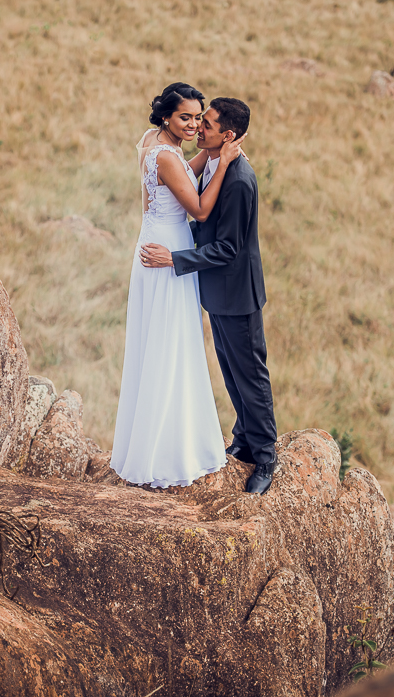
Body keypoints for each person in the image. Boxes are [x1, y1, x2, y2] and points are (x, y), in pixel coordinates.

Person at [139, 97, 278, 494]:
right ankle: (244, 439)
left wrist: (174, 258)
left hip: (238, 294)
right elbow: (203, 219)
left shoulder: (239, 180)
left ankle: (266, 457)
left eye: (208, 124)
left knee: (250, 375)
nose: (199, 128)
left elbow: (228, 248)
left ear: (227, 136)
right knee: (231, 372)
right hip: (217, 291)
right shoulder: (216, 163)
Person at [110, 83, 244, 488]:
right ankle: (168, 452)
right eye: (185, 117)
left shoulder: (155, 141)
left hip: (157, 240)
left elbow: (185, 171)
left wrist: (212, 153)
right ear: (166, 115)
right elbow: (200, 210)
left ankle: (157, 441)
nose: (194, 125)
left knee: (161, 342)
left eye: (198, 118)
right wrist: (224, 162)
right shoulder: (166, 156)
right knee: (170, 344)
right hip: (166, 254)